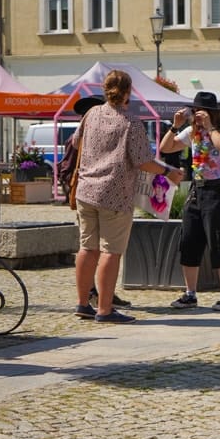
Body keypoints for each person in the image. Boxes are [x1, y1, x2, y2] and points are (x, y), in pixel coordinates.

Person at [73, 70, 183, 324]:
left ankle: (82, 303)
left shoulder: (90, 114)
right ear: (128, 92)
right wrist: (168, 171)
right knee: (111, 251)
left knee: (87, 247)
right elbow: (143, 160)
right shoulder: (130, 122)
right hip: (114, 192)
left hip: (86, 190)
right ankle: (104, 308)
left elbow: (76, 144)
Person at [160, 92, 220, 311]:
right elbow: (166, 148)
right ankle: (190, 293)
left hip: (218, 191)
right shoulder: (192, 131)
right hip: (197, 189)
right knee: (189, 242)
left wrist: (211, 126)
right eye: (194, 112)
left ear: (213, 113)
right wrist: (175, 126)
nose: (196, 116)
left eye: (200, 112)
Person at [59, 95, 133, 309]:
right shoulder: (80, 137)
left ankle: (95, 296)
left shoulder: (83, 135)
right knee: (101, 248)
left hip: (86, 195)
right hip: (96, 195)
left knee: (92, 247)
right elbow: (66, 168)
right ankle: (96, 295)